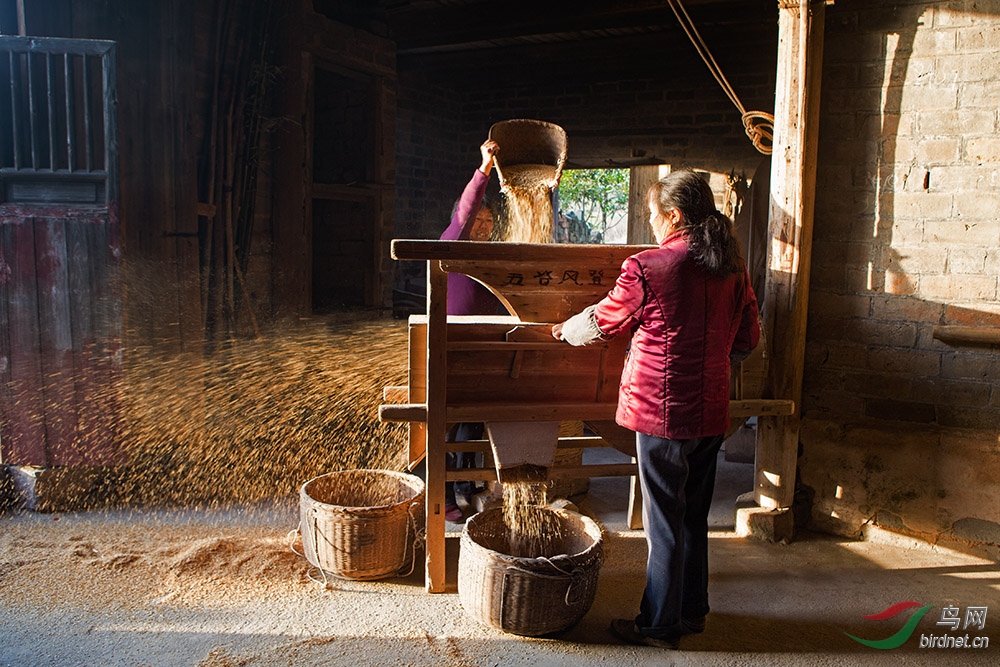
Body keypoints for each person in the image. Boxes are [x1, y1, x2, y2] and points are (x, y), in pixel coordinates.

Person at [552, 169, 760, 649]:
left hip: (662, 415)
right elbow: (747, 338)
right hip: (710, 412)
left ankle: (658, 626)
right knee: (692, 516)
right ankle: (691, 612)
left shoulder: (649, 267)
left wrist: (566, 330)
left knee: (663, 520)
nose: (649, 224)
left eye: (652, 215)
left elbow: (608, 319)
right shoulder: (732, 266)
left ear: (674, 215)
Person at [440, 138, 503, 522]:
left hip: (482, 352)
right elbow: (465, 211)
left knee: (471, 425)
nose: (482, 224)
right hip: (450, 350)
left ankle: (467, 487)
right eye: (478, 219)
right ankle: (445, 497)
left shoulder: (487, 259)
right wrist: (484, 169)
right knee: (445, 429)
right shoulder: (453, 242)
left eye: (488, 221)